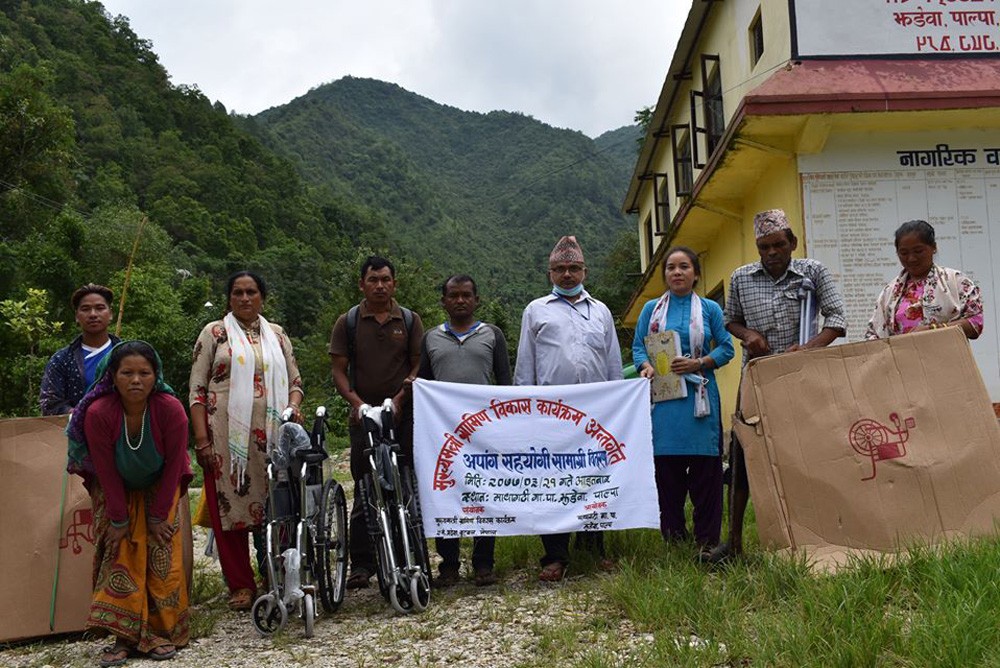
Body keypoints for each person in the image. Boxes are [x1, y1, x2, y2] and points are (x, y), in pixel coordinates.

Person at [706, 209, 847, 565]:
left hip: (801, 378)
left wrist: (808, 348)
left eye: (778, 245)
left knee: (807, 456)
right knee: (742, 458)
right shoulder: (740, 278)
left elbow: (837, 320)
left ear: (792, 243)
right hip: (755, 379)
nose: (771, 252)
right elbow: (730, 320)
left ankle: (817, 537)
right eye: (764, 246)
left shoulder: (813, 272)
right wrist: (749, 335)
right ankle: (734, 542)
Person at [66, 341, 192, 666]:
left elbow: (175, 465)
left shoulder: (171, 409)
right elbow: (105, 472)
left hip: (161, 485)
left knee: (161, 552)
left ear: (156, 376)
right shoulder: (99, 414)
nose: (136, 380)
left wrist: (159, 515)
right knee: (119, 551)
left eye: (144, 373)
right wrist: (118, 520)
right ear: (113, 376)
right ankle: (123, 637)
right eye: (127, 373)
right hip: (114, 488)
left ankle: (159, 631)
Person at [188, 271, 304, 611]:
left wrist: (293, 408)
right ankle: (240, 585)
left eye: (251, 292)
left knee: (278, 507)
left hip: (272, 439)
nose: (244, 298)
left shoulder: (278, 335)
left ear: (262, 297)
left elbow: (295, 382)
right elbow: (196, 390)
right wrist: (202, 440)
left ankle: (274, 575)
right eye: (237, 292)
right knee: (230, 512)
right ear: (229, 299)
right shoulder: (214, 333)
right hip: (225, 440)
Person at [514, 235, 624, 582]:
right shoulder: (536, 310)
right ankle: (555, 555)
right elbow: (525, 366)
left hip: (594, 416)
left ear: (584, 271)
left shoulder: (601, 311)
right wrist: (525, 412)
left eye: (573, 268)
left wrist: (618, 406)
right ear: (549, 273)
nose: (566, 274)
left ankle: (593, 550)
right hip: (549, 416)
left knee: (593, 481)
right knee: (554, 484)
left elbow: (613, 365)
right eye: (559, 269)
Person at [632, 247, 734, 559]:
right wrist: (645, 367)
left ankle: (707, 542)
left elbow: (727, 348)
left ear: (696, 274)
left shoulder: (709, 309)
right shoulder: (651, 310)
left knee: (706, 473)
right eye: (671, 268)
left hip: (700, 401)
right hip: (664, 404)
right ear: (665, 275)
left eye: (684, 267)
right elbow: (638, 348)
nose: (677, 273)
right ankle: (674, 539)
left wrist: (699, 362)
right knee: (667, 473)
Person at [329, 256, 423, 590]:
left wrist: (399, 399)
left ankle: (409, 555)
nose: (380, 285)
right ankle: (362, 564)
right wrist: (357, 404)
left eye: (385, 279)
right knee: (365, 487)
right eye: (373, 280)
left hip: (402, 417)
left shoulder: (410, 321)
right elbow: (339, 369)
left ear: (394, 283)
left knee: (405, 485)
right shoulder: (349, 322)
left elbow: (416, 366)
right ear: (362, 284)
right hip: (363, 421)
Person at [418, 274, 512, 587]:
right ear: (443, 301)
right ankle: (448, 565)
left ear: (476, 299)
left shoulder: (493, 335)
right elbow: (424, 383)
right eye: (454, 295)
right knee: (446, 494)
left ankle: (484, 564)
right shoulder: (431, 338)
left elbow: (505, 383)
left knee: (485, 494)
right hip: (443, 434)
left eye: (466, 295)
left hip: (484, 433)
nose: (460, 301)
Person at [865, 220, 983, 340]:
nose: (911, 258)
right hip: (904, 357)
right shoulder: (889, 293)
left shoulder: (956, 282)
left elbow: (976, 322)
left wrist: (934, 329)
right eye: (904, 253)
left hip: (947, 356)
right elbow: (873, 334)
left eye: (918, 251)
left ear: (934, 248)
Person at [40, 283, 120, 415]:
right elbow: (50, 404)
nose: (93, 314)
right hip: (76, 432)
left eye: (100, 308)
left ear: (110, 314)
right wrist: (85, 416)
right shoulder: (61, 360)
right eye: (86, 309)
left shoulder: (129, 355)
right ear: (77, 316)